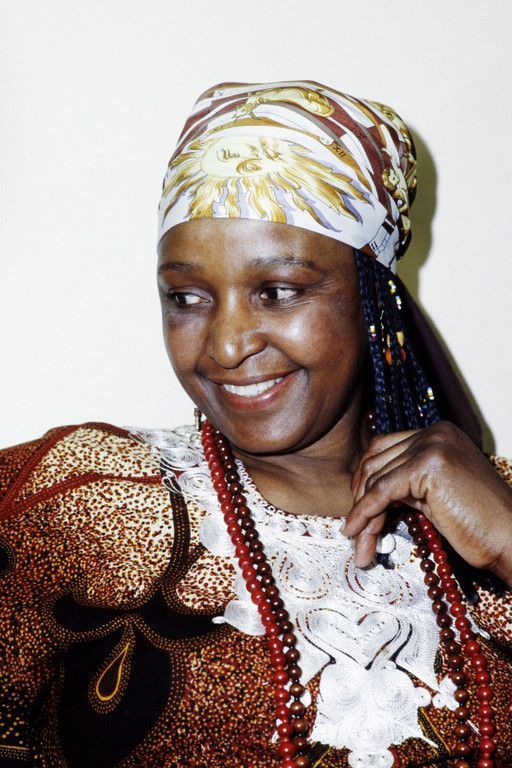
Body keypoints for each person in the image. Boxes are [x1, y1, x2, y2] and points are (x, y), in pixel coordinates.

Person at [0, 80, 511, 768]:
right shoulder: (76, 500)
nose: (226, 344)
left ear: (375, 298)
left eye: (278, 292)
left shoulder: (492, 504)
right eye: (187, 298)